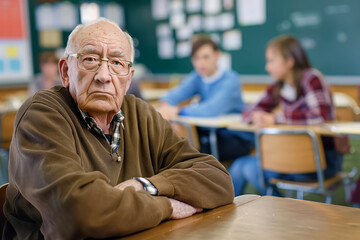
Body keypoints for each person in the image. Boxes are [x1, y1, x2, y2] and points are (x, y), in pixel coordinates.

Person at [3, 18, 234, 239]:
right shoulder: (42, 114)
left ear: (128, 79)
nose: (104, 76)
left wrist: (144, 186)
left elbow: (217, 180)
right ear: (65, 72)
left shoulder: (140, 114)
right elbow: (80, 213)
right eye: (90, 59)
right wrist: (167, 206)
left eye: (116, 63)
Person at [229, 35, 344, 196]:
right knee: (240, 166)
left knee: (247, 167)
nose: (267, 67)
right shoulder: (279, 86)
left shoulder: (312, 78)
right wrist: (256, 117)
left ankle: (281, 209)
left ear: (289, 61)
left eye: (271, 61)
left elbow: (319, 116)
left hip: (322, 162)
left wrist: (275, 118)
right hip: (288, 158)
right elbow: (249, 110)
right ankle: (279, 209)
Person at [158, 37, 253, 161]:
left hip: (236, 137)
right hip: (211, 134)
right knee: (179, 145)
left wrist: (177, 111)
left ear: (217, 56)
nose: (201, 63)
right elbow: (174, 94)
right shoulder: (197, 77)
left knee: (188, 150)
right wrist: (165, 105)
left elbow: (211, 110)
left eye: (206, 57)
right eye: (196, 58)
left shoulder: (231, 80)